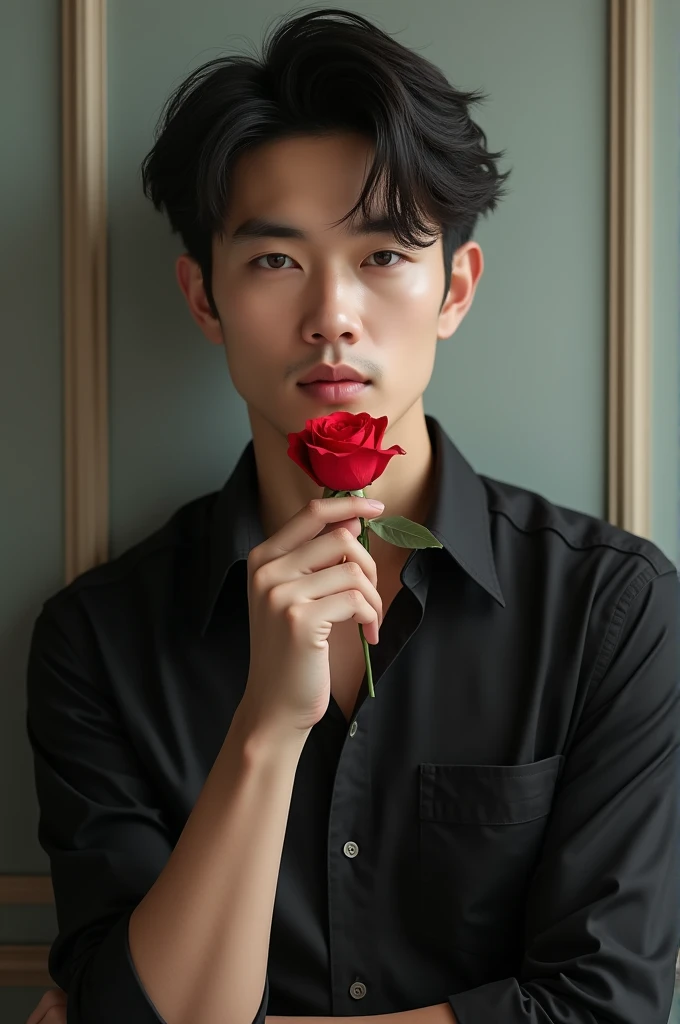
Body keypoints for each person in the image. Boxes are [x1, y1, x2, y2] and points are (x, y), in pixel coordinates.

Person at [25, 7, 680, 1024]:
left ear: (452, 288)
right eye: (275, 260)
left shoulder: (611, 609)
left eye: (380, 256)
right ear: (202, 298)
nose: (331, 313)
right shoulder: (96, 641)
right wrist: (263, 730)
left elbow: (606, 1005)